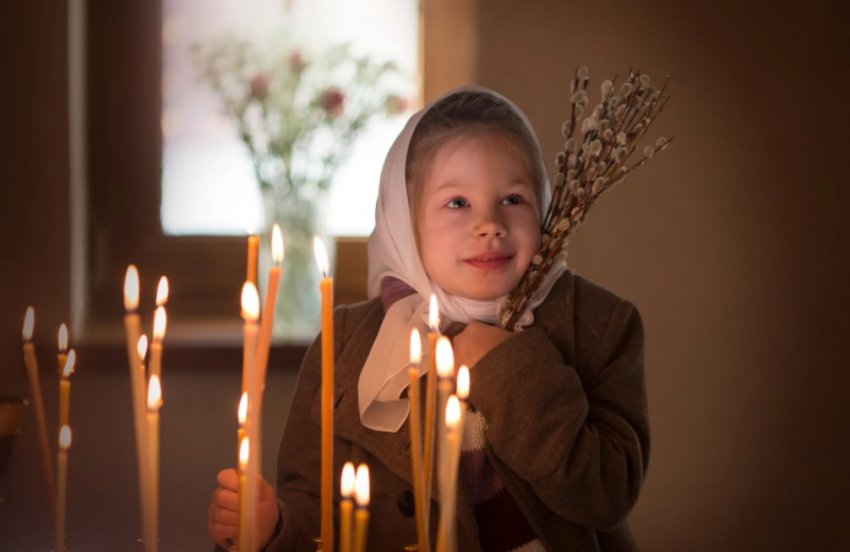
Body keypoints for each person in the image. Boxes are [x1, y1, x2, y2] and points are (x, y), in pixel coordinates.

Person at [208, 87, 649, 551]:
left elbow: (605, 495)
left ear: (542, 206)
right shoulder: (347, 343)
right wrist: (272, 527)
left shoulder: (601, 325)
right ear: (404, 219)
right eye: (457, 203)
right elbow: (317, 510)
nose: (490, 224)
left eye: (514, 199)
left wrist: (509, 367)